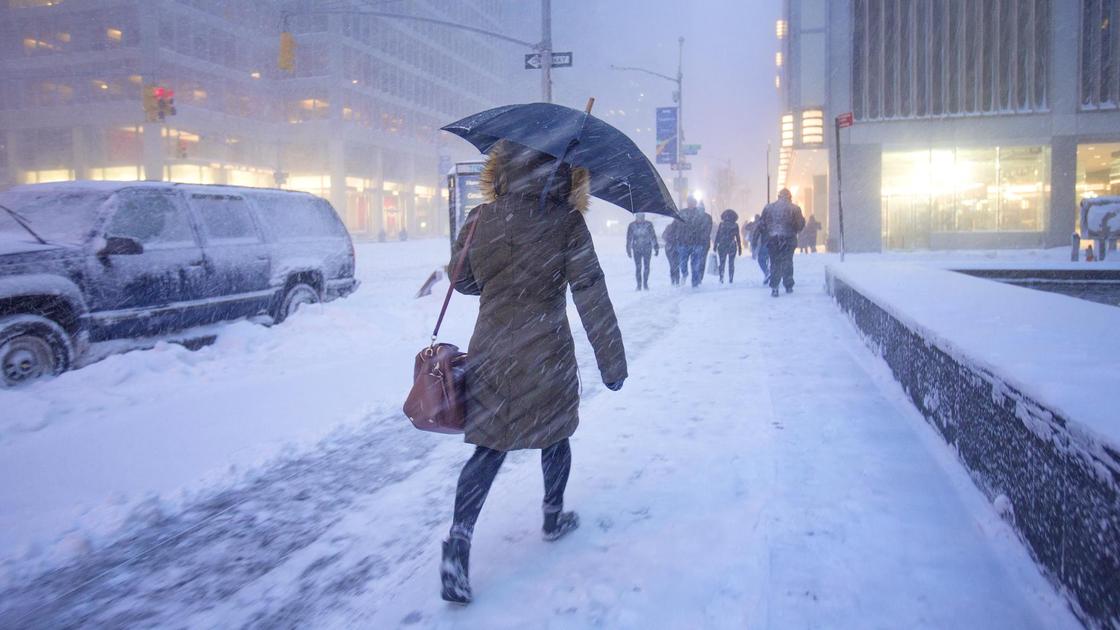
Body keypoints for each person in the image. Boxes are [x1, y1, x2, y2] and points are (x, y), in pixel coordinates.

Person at [441, 140, 628, 604]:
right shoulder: (567, 222)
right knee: (555, 434)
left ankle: (459, 543)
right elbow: (590, 291)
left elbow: (462, 281)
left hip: (492, 350)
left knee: (487, 448)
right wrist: (612, 363)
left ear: (503, 168)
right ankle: (552, 515)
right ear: (564, 173)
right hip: (546, 351)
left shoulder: (482, 217)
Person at [757, 188, 805, 297]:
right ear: (789, 197)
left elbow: (761, 224)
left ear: (778, 197)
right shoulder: (795, 209)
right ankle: (788, 285)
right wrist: (794, 228)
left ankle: (774, 286)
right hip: (788, 239)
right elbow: (800, 225)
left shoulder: (768, 208)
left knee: (775, 263)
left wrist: (767, 233)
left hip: (773, 240)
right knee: (787, 262)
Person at [678, 196, 713, 287]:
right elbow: (677, 225)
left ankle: (695, 282)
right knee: (683, 263)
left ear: (695, 203)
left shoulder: (700, 214)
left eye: (692, 202)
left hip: (696, 243)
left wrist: (701, 239)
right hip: (684, 242)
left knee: (695, 265)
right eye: (689, 202)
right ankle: (685, 273)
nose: (690, 204)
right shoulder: (682, 212)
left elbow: (704, 228)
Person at [626, 212, 659, 290]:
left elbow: (653, 236)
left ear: (644, 217)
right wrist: (628, 249)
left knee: (646, 266)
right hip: (636, 249)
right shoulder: (632, 225)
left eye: (641, 217)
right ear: (636, 217)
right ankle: (639, 284)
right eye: (638, 217)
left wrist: (656, 247)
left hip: (647, 248)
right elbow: (629, 238)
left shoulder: (649, 224)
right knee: (638, 267)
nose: (640, 218)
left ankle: (645, 283)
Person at [713, 209, 743, 283]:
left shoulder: (721, 224)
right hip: (732, 245)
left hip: (722, 245)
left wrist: (715, 245)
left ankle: (721, 277)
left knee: (722, 262)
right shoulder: (735, 225)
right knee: (731, 263)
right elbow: (738, 237)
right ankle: (731, 278)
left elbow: (718, 235)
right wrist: (739, 247)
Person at [748, 213, 770, 284]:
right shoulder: (776, 222)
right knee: (775, 260)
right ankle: (772, 273)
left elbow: (756, 233)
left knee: (761, 259)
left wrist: (754, 243)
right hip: (776, 243)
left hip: (766, 243)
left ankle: (767, 272)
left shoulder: (761, 223)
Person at [663, 220, 683, 286]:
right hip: (671, 248)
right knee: (674, 265)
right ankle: (675, 279)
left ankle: (675, 279)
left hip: (673, 248)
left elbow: (664, 236)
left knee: (674, 265)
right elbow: (664, 236)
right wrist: (673, 239)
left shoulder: (680, 228)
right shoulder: (670, 227)